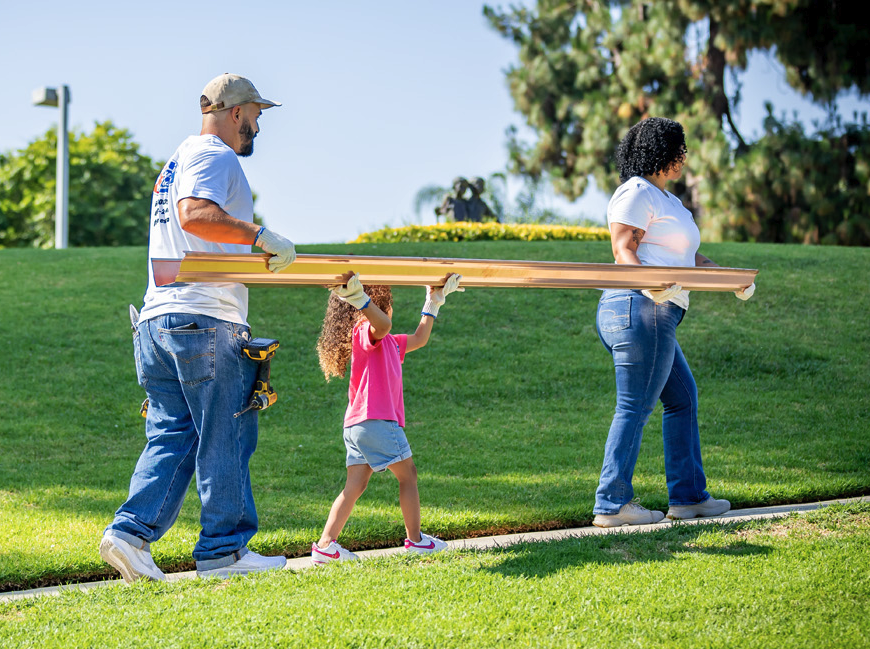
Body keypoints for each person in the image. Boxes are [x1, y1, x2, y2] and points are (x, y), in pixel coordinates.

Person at [100, 73, 297, 582]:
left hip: (157, 320)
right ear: (235, 112)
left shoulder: (176, 162)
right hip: (205, 318)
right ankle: (224, 552)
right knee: (227, 432)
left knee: (173, 435)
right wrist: (260, 237)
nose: (257, 126)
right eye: (255, 115)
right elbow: (196, 215)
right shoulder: (216, 155)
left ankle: (130, 533)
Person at [592, 117, 755, 528]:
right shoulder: (636, 192)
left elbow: (689, 258)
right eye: (678, 149)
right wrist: (650, 289)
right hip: (637, 306)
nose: (684, 157)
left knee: (682, 398)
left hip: (657, 312)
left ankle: (688, 498)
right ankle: (611, 504)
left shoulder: (671, 203)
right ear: (660, 152)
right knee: (635, 404)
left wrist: (730, 279)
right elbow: (623, 249)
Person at [310, 272, 463, 564]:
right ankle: (417, 541)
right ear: (379, 304)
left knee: (355, 486)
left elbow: (420, 337)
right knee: (409, 476)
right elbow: (383, 323)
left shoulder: (390, 342)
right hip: (376, 421)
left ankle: (326, 546)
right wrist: (360, 300)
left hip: (356, 426)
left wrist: (433, 302)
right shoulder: (365, 332)